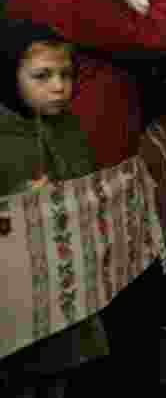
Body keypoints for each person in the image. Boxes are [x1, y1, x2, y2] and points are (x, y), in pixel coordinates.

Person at [4, 0, 166, 391]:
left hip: (75, 136)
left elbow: (109, 12)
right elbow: (156, 38)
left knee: (104, 273)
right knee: (113, 272)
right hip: (94, 140)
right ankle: (126, 380)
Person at [0, 21, 110, 395]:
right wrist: (17, 202)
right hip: (14, 291)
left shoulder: (68, 125)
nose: (60, 86)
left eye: (66, 74)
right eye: (42, 76)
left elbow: (86, 175)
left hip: (63, 278)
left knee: (60, 368)